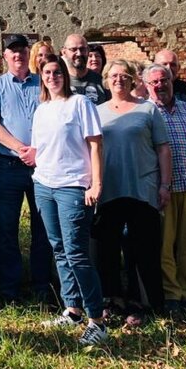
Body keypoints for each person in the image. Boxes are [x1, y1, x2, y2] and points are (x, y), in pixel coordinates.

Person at [33, 55, 108, 347]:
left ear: (64, 75)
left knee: (77, 254)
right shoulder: (42, 109)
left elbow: (95, 144)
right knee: (59, 249)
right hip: (44, 185)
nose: (52, 76)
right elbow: (42, 148)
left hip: (73, 187)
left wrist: (96, 183)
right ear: (42, 77)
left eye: (57, 72)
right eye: (47, 72)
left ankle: (97, 320)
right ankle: (73, 309)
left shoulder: (80, 104)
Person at [93, 59, 171, 324]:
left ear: (133, 80)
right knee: (108, 249)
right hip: (109, 190)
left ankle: (141, 302)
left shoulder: (148, 110)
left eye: (124, 75)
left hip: (142, 187)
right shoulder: (97, 111)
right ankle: (113, 299)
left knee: (143, 248)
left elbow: (163, 148)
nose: (118, 80)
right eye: (113, 76)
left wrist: (164, 185)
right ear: (106, 80)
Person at [0, 34, 51, 304]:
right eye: (13, 51)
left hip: (42, 165)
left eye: (22, 50)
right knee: (7, 229)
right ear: (5, 57)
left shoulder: (42, 82)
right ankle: (10, 288)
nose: (18, 55)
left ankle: (42, 285)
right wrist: (22, 149)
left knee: (43, 228)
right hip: (8, 165)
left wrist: (37, 151)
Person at [147, 64, 186, 313]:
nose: (161, 85)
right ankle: (171, 295)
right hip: (163, 189)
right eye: (155, 83)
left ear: (173, 82)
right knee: (165, 245)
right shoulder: (147, 111)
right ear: (147, 86)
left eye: (165, 81)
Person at [61, 34, 105, 104]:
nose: (79, 53)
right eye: (73, 49)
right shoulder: (59, 82)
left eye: (82, 49)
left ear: (87, 50)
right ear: (64, 52)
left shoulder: (101, 81)